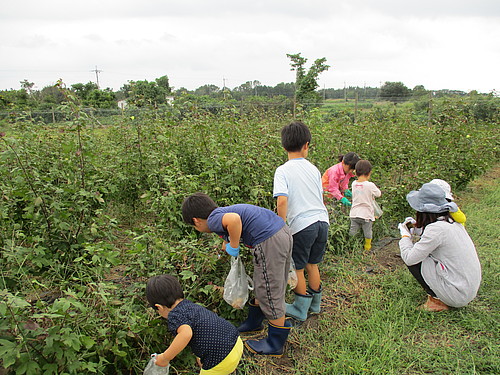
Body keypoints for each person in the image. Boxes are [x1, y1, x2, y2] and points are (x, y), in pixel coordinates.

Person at [181, 193, 293, 357]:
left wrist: (233, 246)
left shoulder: (213, 219)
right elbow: (231, 225)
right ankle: (254, 323)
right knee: (266, 284)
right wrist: (227, 241)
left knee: (270, 291)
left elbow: (234, 220)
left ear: (196, 221)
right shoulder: (219, 213)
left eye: (194, 226)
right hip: (281, 233)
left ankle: (275, 344)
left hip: (269, 241)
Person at [273, 121, 330, 322]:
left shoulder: (283, 170)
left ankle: (300, 308)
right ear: (306, 145)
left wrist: (281, 226)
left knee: (297, 266)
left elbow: (282, 200)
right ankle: (315, 305)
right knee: (312, 264)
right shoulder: (314, 169)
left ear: (283, 146)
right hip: (322, 221)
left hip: (302, 225)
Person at [398, 183, 481, 311]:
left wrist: (405, 237)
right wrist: (416, 229)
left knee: (414, 255)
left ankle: (436, 301)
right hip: (466, 289)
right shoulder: (452, 222)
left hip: (457, 295)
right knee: (421, 251)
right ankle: (441, 294)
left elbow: (409, 258)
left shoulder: (436, 230)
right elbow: (434, 237)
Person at [145, 275, 243, 374]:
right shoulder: (189, 305)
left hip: (221, 358)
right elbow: (202, 329)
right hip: (236, 342)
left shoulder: (174, 316)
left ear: (159, 307)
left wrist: (165, 357)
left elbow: (186, 334)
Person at [349, 160, 381, 252]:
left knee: (353, 231)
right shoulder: (370, 185)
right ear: (369, 173)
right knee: (367, 232)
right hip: (366, 214)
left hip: (354, 213)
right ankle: (367, 248)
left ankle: (351, 247)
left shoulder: (354, 184)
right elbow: (378, 194)